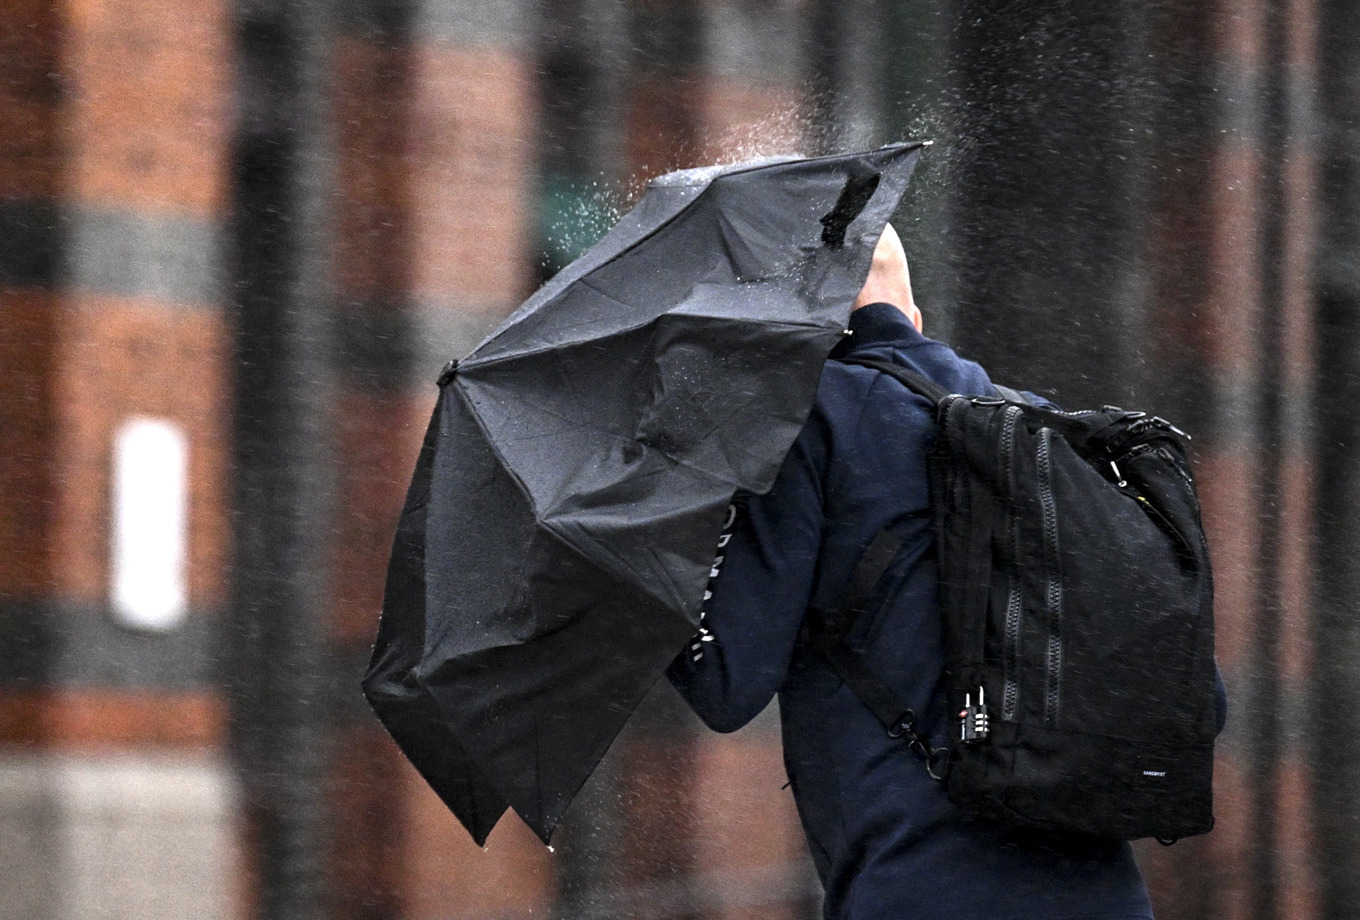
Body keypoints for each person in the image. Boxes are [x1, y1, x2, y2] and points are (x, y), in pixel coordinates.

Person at [666, 224, 1158, 919]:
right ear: (916, 318)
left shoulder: (809, 423)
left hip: (918, 885)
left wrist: (654, 549)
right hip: (1103, 891)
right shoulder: (1040, 425)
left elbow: (724, 682)